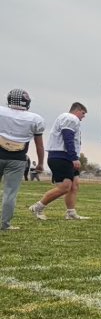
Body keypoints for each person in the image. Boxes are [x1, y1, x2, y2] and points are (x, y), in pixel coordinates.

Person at [29, 102, 89, 222]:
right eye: (83, 113)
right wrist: (73, 157)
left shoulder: (68, 118)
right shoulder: (70, 118)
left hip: (66, 156)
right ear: (77, 110)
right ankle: (38, 207)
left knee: (74, 185)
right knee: (65, 187)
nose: (83, 117)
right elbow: (68, 137)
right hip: (61, 156)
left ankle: (71, 212)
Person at [0, 89, 45, 231]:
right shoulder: (35, 119)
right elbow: (39, 144)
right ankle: (5, 224)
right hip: (17, 159)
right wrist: (40, 163)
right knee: (10, 193)